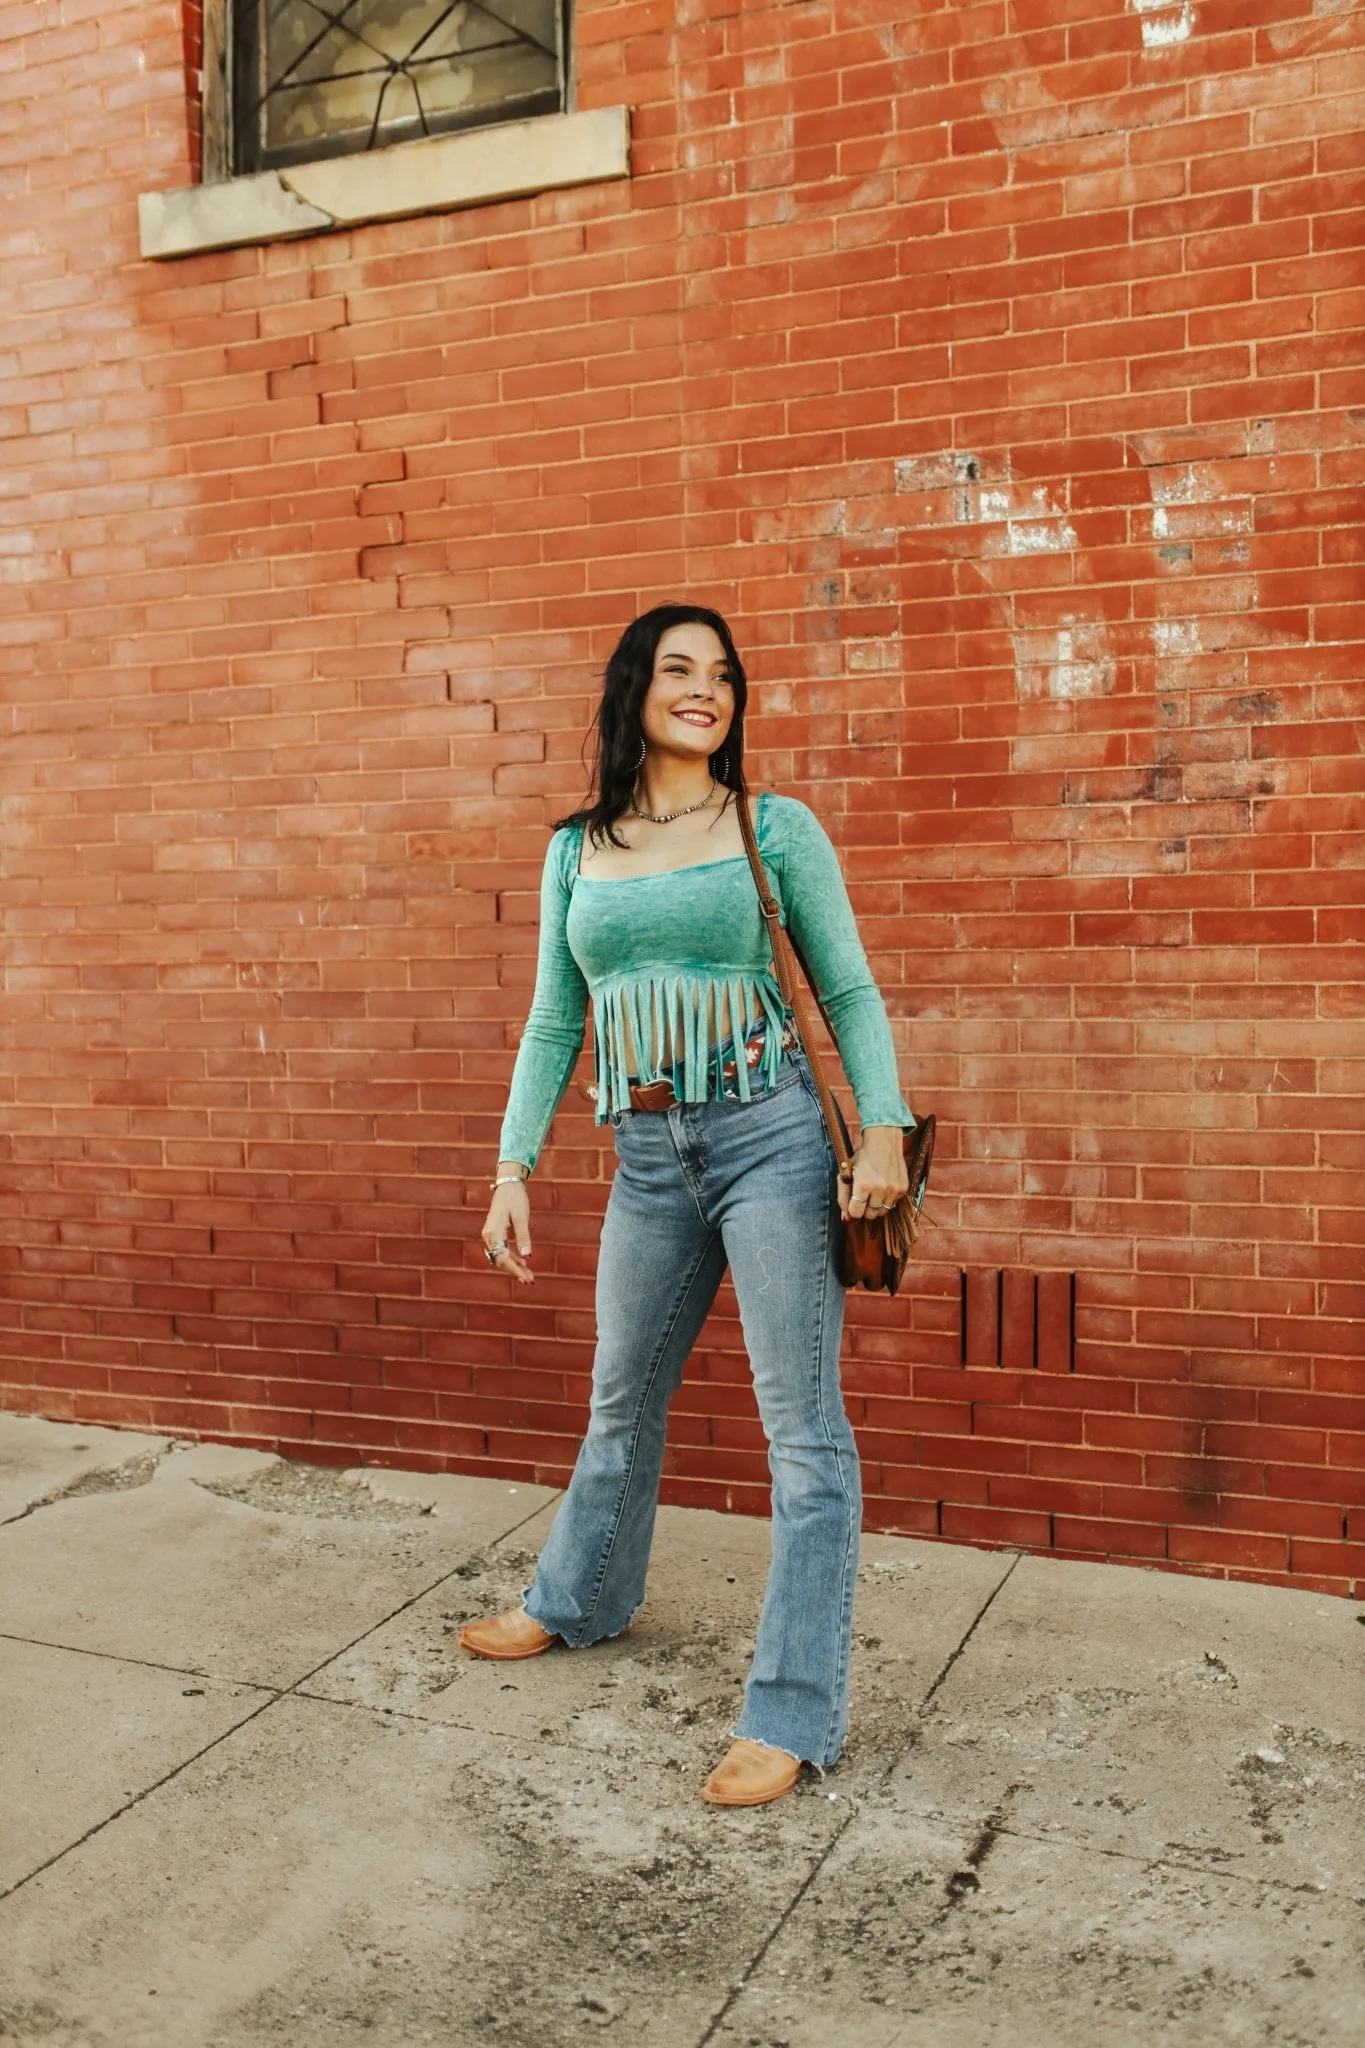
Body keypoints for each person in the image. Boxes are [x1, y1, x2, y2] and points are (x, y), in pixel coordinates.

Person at [461, 603, 913, 1807]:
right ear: (637, 689)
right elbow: (558, 1018)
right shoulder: (577, 849)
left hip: (769, 1135)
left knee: (801, 1427)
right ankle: (580, 1597)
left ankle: (793, 1709)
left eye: (722, 673)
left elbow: (849, 987)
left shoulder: (773, 827)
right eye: (679, 669)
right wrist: (514, 1166)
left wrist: (885, 1128)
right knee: (622, 1392)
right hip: (648, 1154)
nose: (704, 688)